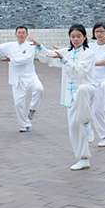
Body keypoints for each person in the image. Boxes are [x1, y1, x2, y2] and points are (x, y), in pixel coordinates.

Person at [43, 25, 97, 170]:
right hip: (71, 96)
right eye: (73, 36)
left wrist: (64, 60)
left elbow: (79, 73)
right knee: (73, 127)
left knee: (82, 88)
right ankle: (83, 158)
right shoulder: (65, 52)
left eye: (79, 36)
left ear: (85, 37)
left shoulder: (89, 54)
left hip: (88, 91)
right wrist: (38, 46)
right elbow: (47, 56)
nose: (75, 39)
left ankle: (86, 122)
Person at [0, 26, 43, 132]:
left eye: (23, 33)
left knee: (39, 89)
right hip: (16, 78)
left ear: (26, 35)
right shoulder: (10, 46)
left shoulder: (31, 45)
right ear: (15, 34)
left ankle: (33, 108)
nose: (21, 34)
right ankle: (25, 124)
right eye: (19, 32)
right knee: (18, 103)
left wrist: (11, 59)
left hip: (30, 76)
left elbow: (26, 59)